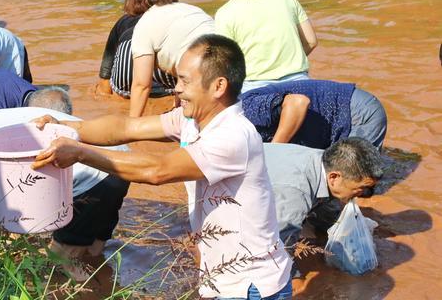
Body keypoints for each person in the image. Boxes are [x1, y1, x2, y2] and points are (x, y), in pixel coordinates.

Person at [33, 34, 292, 299]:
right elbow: (127, 127)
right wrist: (69, 127)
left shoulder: (233, 136)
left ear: (218, 86)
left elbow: (158, 170)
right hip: (224, 279)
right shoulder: (192, 120)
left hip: (251, 285)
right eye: (177, 79)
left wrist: (79, 153)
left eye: (185, 81)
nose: (176, 89)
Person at [0, 99, 129, 281]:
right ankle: (106, 280)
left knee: (61, 262)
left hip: (94, 178)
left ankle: (92, 290)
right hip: (120, 163)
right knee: (94, 250)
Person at [263, 139, 382, 276]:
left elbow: (325, 204)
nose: (363, 194)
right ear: (334, 177)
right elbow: (279, 247)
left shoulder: (324, 161)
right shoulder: (297, 193)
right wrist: (293, 279)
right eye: (361, 188)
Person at [212, 0, 318, 93]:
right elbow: (311, 41)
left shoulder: (225, 13)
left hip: (256, 89)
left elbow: (225, 64)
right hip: (301, 84)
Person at [128, 0, 215, 117]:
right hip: (229, 60)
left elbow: (141, 85)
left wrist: (130, 126)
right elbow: (183, 55)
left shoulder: (145, 24)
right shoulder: (190, 9)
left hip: (201, 71)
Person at [97, 0, 182, 99]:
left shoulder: (122, 22)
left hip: (126, 85)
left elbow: (105, 74)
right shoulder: (176, 15)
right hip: (167, 85)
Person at [241, 79, 387, 149]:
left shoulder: (244, 109)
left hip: (356, 113)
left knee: (353, 185)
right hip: (338, 123)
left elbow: (298, 103)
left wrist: (274, 151)